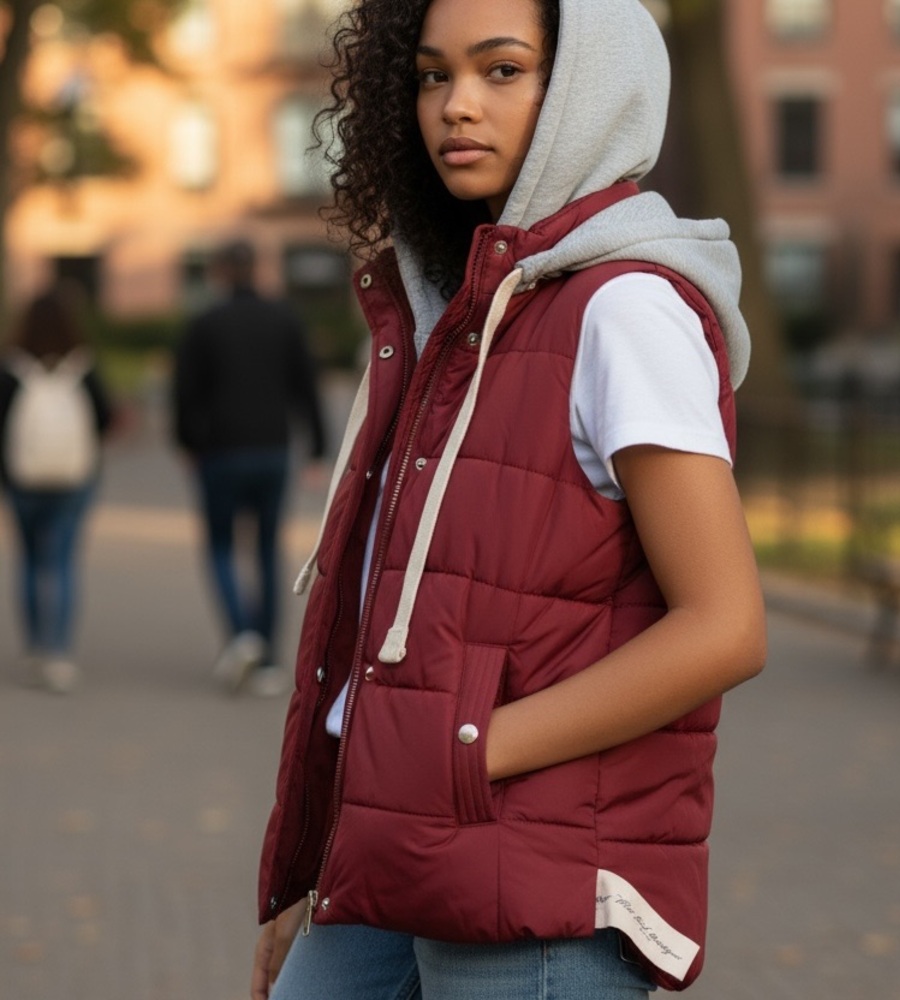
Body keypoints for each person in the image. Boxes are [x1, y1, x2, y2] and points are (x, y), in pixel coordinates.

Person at [253, 0, 767, 996]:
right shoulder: (461, 315)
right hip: (398, 859)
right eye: (433, 75)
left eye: (500, 71)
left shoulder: (622, 307)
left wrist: (470, 754)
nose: (455, 106)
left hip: (536, 888)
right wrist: (310, 867)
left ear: (584, 87)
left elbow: (725, 625)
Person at [172, 240, 327, 697]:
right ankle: (268, 660)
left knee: (221, 545)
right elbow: (306, 387)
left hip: (219, 452)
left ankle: (241, 636)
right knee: (265, 549)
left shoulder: (203, 323)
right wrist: (316, 449)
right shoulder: (284, 319)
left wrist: (188, 442)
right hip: (272, 451)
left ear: (220, 271)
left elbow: (184, 391)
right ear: (257, 268)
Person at [0, 285, 113, 693]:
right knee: (63, 563)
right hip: (73, 479)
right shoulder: (83, 368)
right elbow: (104, 419)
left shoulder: (11, 369)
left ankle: (34, 647)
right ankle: (59, 653)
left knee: (29, 561)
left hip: (23, 480)